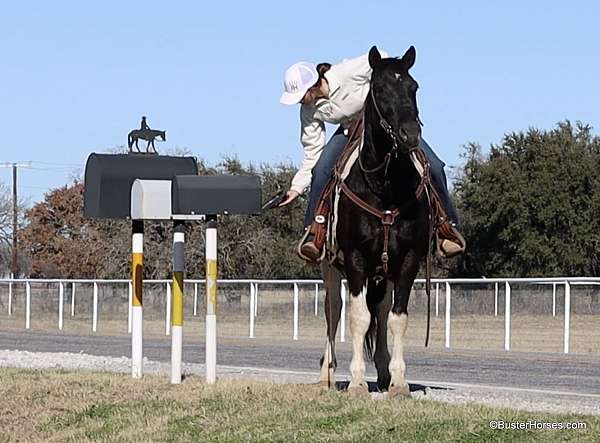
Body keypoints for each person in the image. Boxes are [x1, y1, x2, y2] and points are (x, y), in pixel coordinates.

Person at [278, 50, 464, 261]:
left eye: (300, 96)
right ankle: (315, 233)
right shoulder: (308, 111)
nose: (299, 102)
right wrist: (296, 188)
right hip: (349, 130)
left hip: (383, 126)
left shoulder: (345, 73)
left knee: (435, 166)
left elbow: (379, 58)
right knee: (320, 170)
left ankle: (447, 228)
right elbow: (312, 151)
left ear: (313, 84)